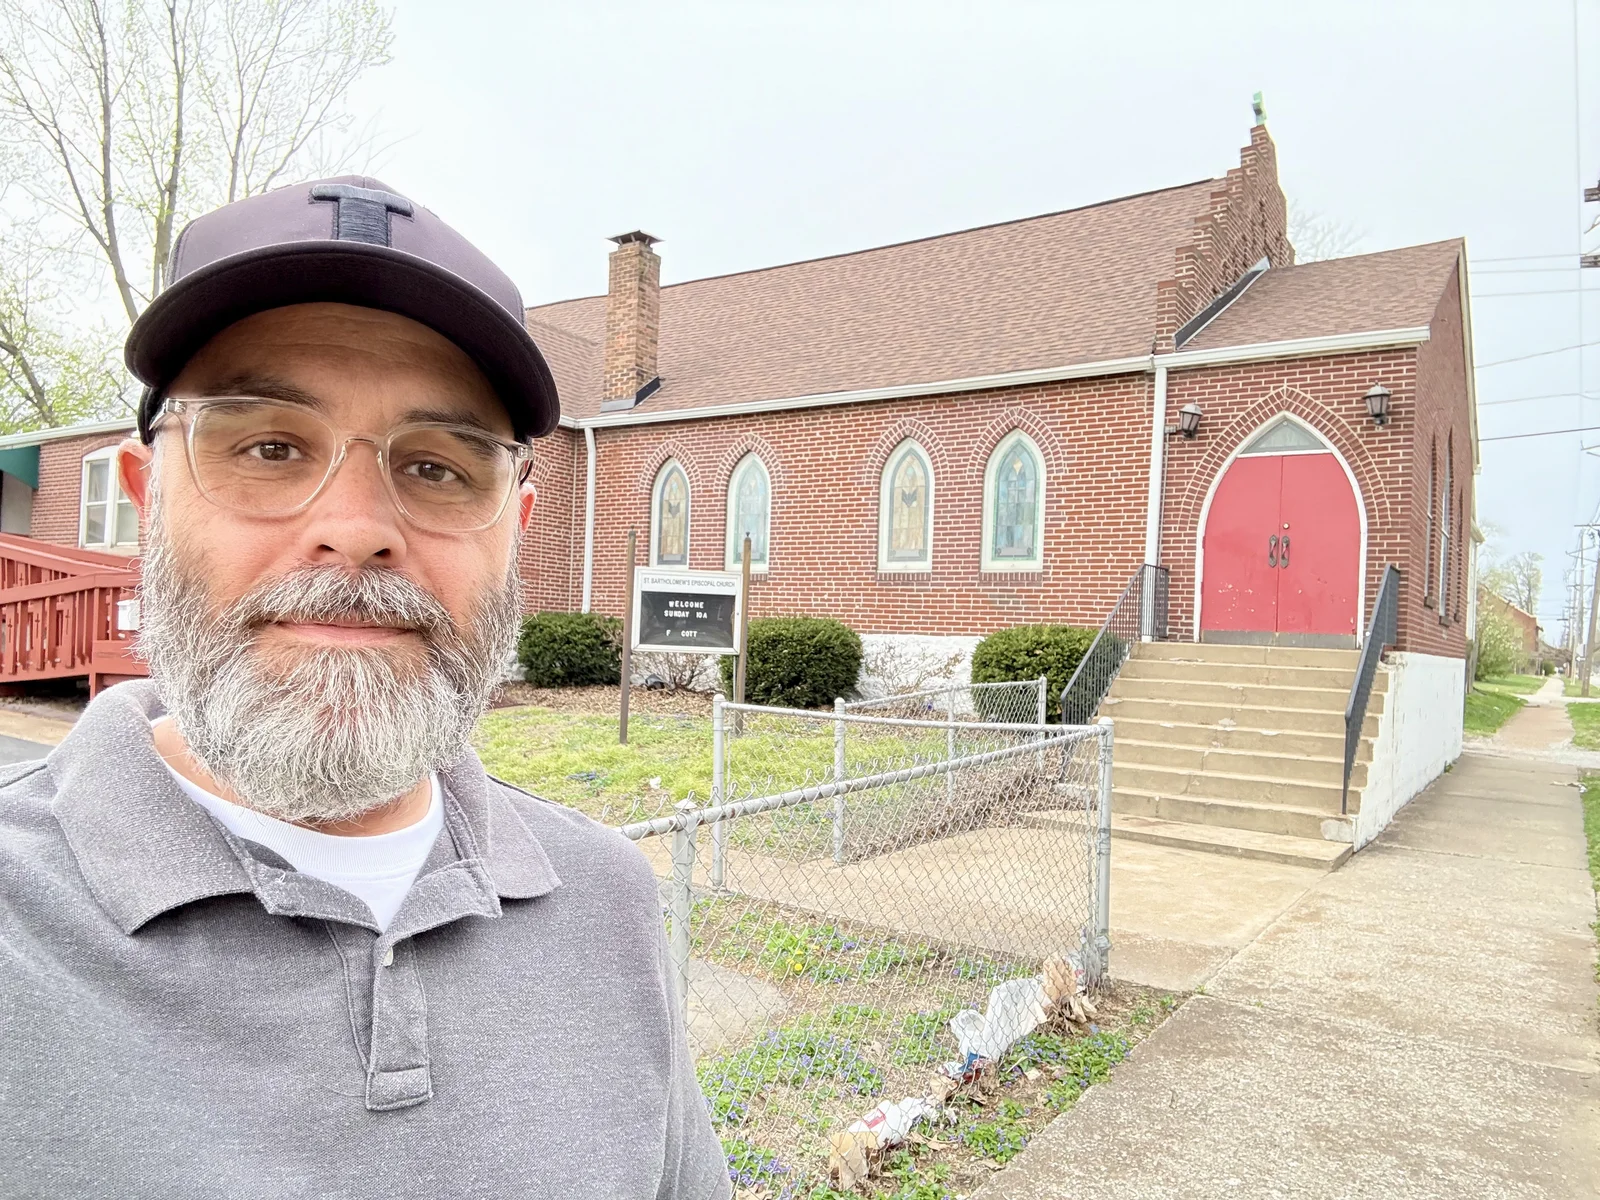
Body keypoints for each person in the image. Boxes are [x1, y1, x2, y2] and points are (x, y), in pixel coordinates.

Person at [0, 178, 730, 1199]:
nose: (356, 525)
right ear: (145, 501)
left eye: (437, 468)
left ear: (512, 536)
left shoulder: (606, 902)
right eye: (267, 446)